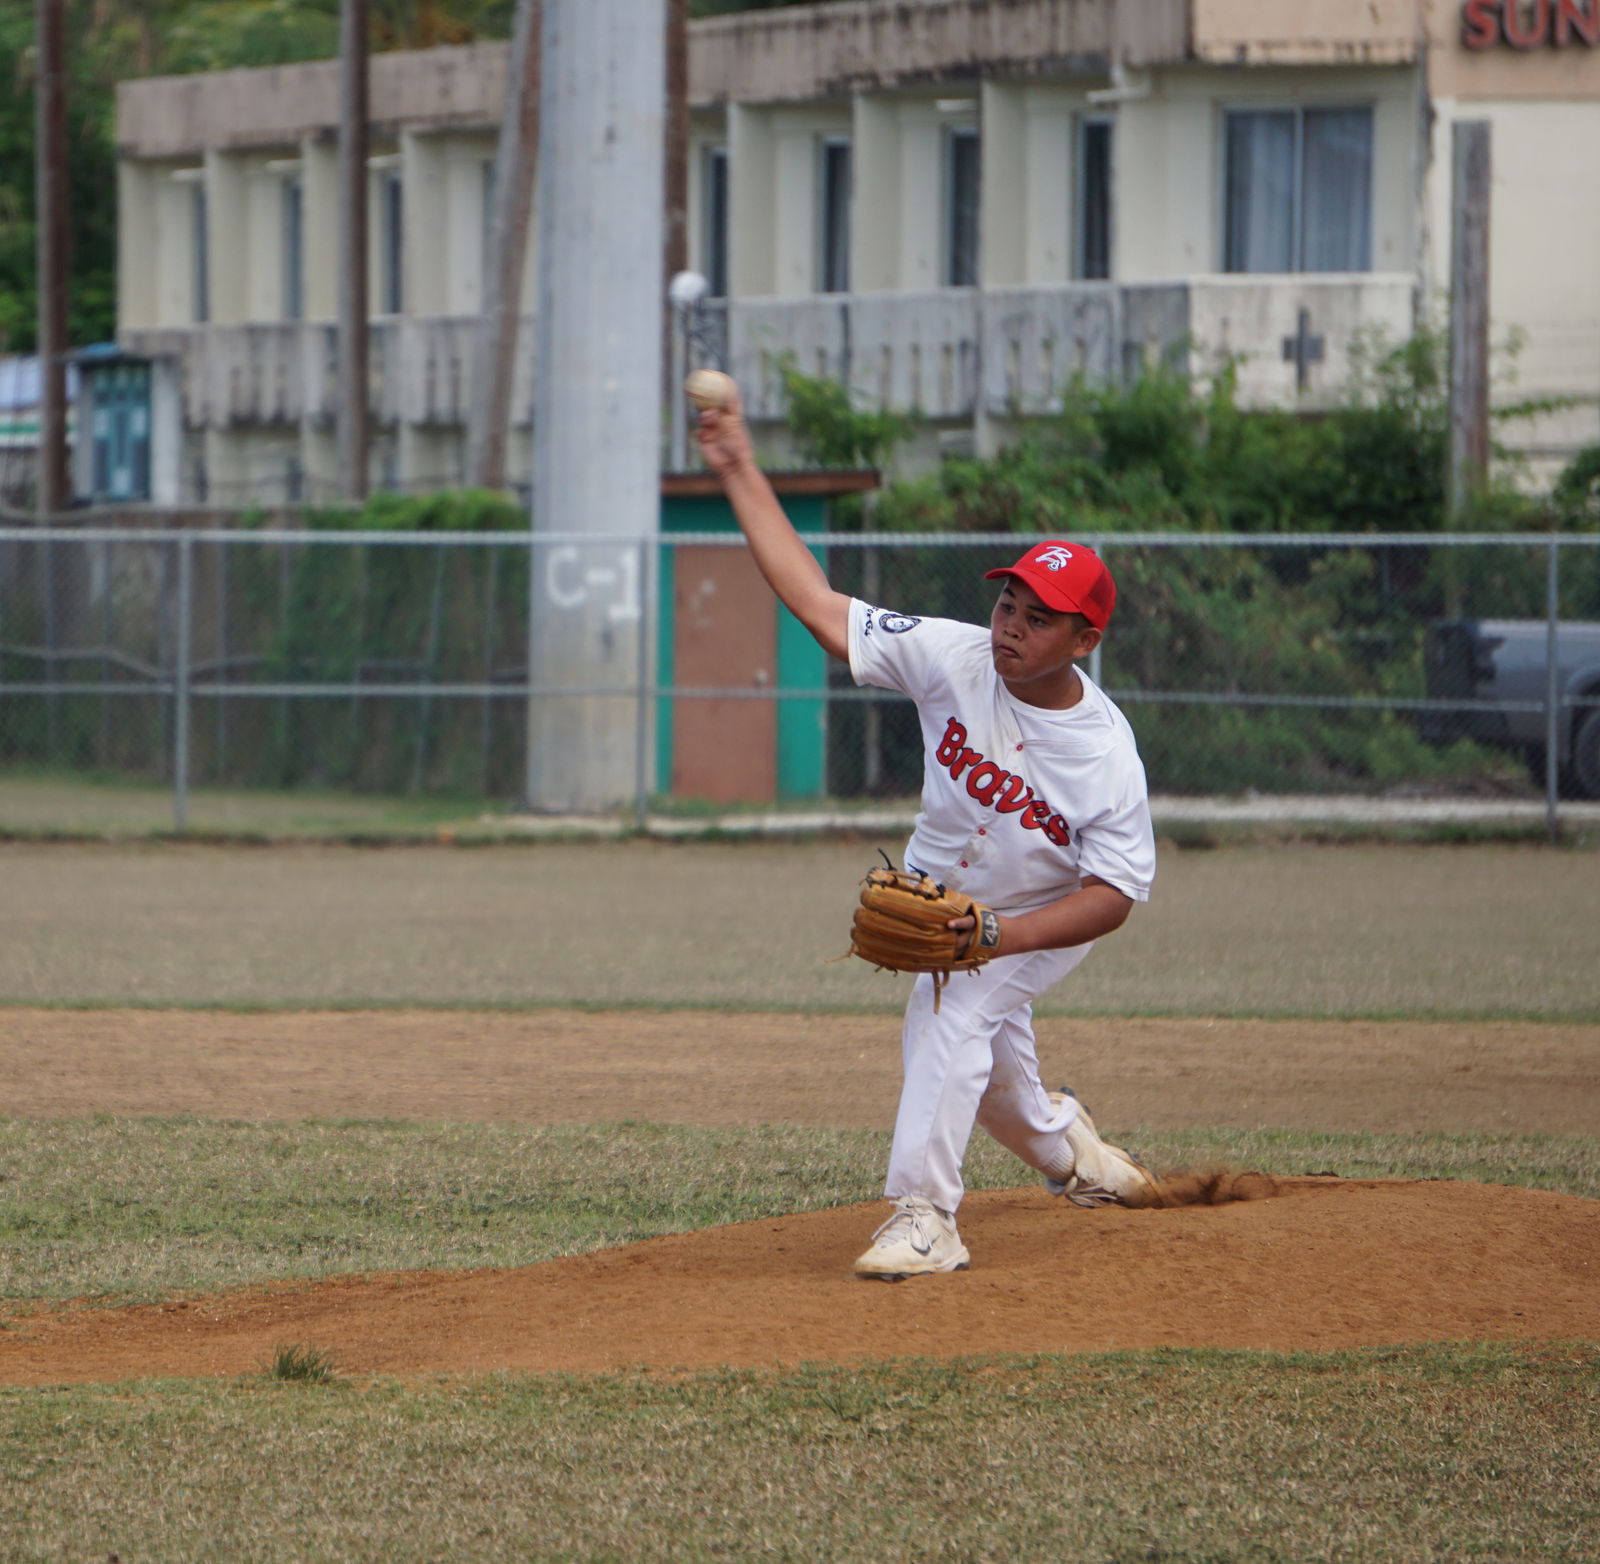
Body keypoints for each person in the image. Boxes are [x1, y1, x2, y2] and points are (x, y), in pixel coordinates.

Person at [695, 380, 1162, 1280]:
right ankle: (1077, 1156)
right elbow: (819, 606)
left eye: (1039, 617)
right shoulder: (953, 657)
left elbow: (1114, 896)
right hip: (946, 901)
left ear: (1084, 638)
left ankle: (928, 1215)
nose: (1011, 628)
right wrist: (739, 466)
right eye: (1007, 606)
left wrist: (1002, 934)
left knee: (950, 1005)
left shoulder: (1105, 756)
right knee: (990, 1078)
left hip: (1039, 917)